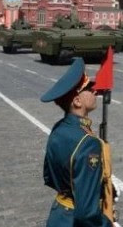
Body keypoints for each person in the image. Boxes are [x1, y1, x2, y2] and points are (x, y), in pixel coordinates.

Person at [41, 57, 117, 226]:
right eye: (89, 88)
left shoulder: (58, 129)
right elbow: (87, 214)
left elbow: (48, 176)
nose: (95, 91)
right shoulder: (88, 143)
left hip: (59, 214)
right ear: (77, 101)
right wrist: (107, 223)